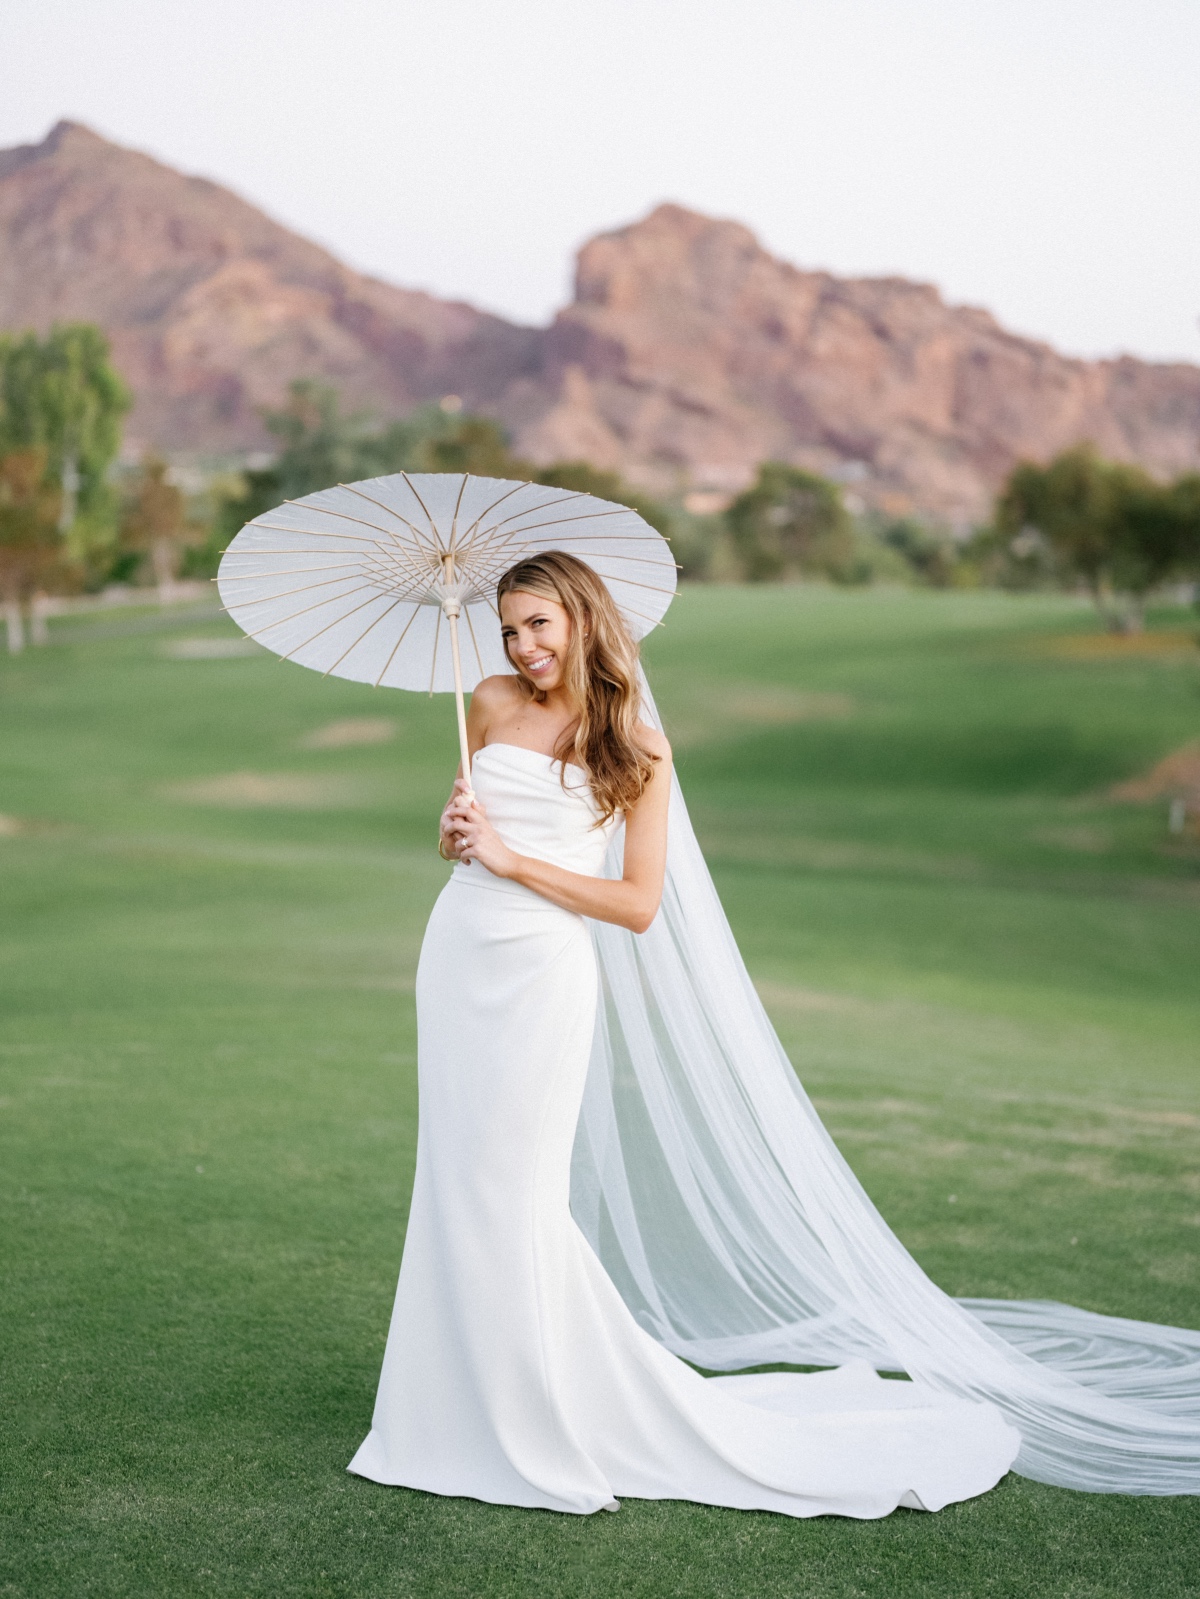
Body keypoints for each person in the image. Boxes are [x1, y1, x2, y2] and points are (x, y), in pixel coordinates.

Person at [347, 551, 1021, 1516]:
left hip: (543, 973)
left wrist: (511, 856)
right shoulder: (487, 703)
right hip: (457, 956)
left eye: (539, 623)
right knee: (454, 1178)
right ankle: (444, 1410)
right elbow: (466, 842)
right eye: (508, 629)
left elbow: (635, 904)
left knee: (514, 1186)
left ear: (581, 619)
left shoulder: (640, 749)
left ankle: (537, 1410)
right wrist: (457, 834)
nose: (522, 646)